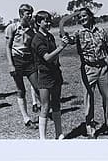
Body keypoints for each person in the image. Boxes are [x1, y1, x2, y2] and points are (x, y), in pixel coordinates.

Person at [70, 7, 108, 138]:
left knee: (107, 97)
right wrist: (65, 37)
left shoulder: (101, 31)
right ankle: (90, 128)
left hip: (103, 68)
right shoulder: (78, 33)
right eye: (79, 17)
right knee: (88, 99)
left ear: (90, 16)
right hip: (88, 69)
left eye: (84, 16)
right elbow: (69, 40)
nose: (82, 19)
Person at [31, 10, 69, 140]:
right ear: (38, 22)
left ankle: (59, 133)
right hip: (45, 75)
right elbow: (47, 57)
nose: (48, 23)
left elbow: (54, 57)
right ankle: (43, 138)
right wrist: (61, 47)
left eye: (49, 21)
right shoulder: (37, 39)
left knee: (56, 103)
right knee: (45, 106)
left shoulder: (49, 36)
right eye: (45, 21)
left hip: (55, 73)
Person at [5, 4, 39, 129]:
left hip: (29, 61)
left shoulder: (32, 30)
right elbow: (8, 47)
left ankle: (44, 113)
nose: (30, 15)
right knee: (21, 90)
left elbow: (33, 46)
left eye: (31, 13)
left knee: (38, 87)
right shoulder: (12, 28)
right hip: (17, 60)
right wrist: (10, 65)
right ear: (20, 14)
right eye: (27, 13)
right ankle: (26, 119)